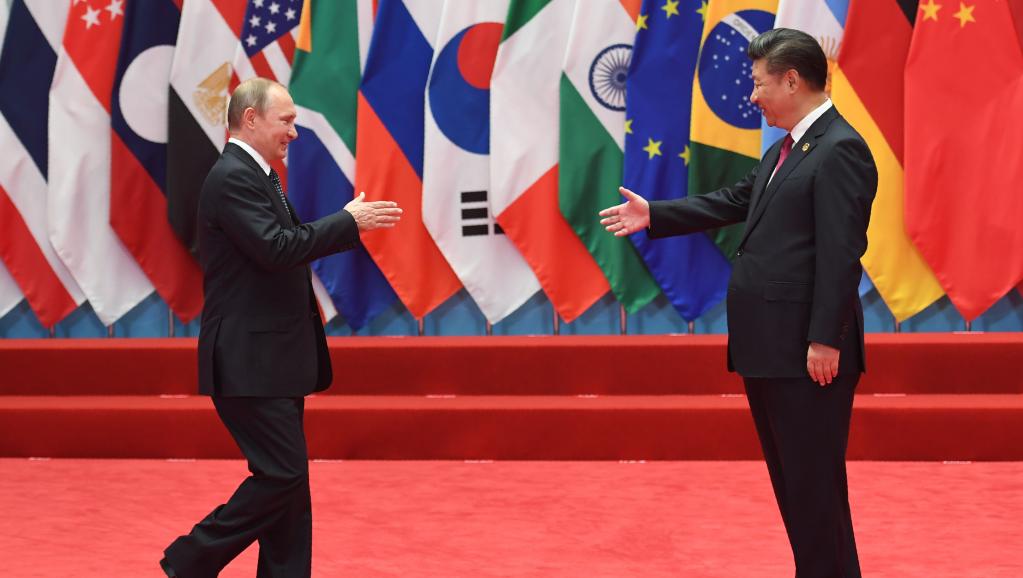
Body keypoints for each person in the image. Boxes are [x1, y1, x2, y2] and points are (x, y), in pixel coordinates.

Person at [600, 28, 877, 577]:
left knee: (814, 488)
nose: (752, 97)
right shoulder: (786, 148)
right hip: (770, 350)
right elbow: (734, 200)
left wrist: (826, 338)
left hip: (807, 355)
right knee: (795, 488)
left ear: (791, 80)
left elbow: (841, 254)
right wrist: (656, 214)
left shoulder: (840, 149)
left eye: (758, 84)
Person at [161, 77, 401, 578]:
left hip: (271, 361)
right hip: (248, 362)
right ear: (250, 119)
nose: (294, 132)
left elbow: (279, 246)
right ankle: (190, 559)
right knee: (283, 476)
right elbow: (276, 248)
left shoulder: (257, 175)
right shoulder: (233, 177)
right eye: (286, 121)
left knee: (289, 486)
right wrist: (346, 221)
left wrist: (344, 224)